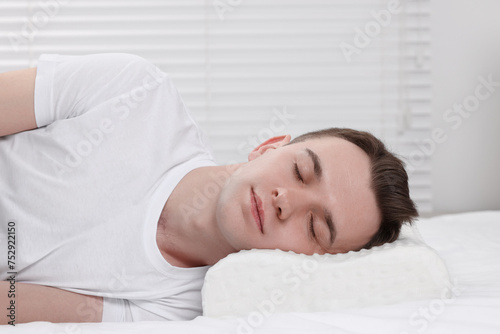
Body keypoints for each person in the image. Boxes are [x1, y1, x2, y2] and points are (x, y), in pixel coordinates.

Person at [0, 54, 418, 324]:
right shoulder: (138, 93)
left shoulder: (178, 312)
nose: (285, 202)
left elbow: (12, 305)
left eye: (315, 228)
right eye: (300, 172)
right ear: (268, 148)